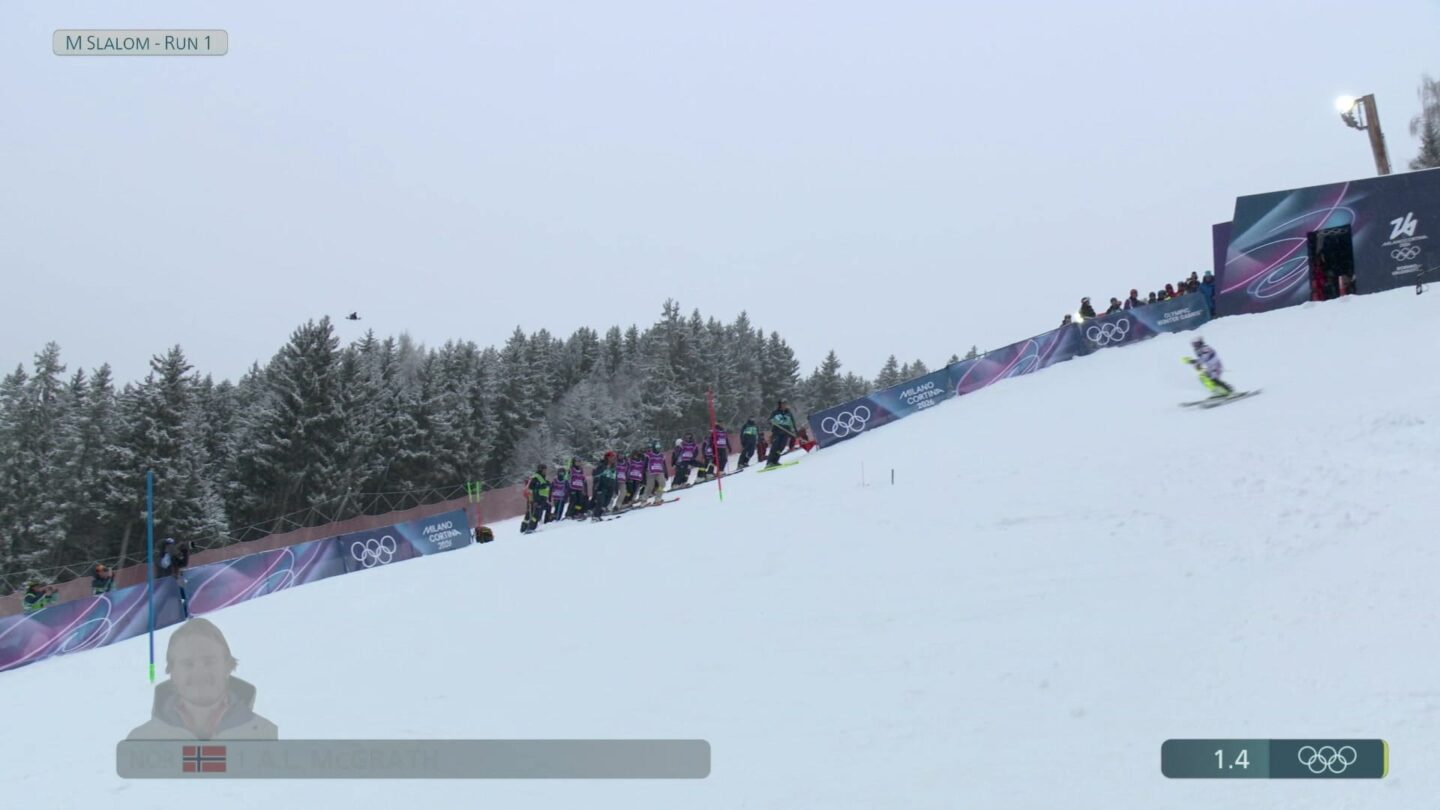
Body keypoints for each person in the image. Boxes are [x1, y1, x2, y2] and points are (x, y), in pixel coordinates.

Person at [126, 618, 278, 740]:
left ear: (228, 666)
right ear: (172, 673)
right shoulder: (140, 742)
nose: (199, 673)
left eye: (209, 661)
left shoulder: (264, 735)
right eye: (187, 664)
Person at [765, 400, 798, 468]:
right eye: (783, 404)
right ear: (780, 405)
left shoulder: (789, 413)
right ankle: (769, 462)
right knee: (775, 447)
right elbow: (769, 420)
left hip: (786, 432)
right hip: (777, 432)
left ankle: (775, 461)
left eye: (785, 404)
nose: (784, 405)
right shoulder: (775, 412)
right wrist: (770, 421)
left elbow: (793, 422)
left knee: (781, 447)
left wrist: (795, 431)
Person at [521, 463, 551, 534]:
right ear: (541, 470)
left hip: (541, 498)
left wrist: (546, 483)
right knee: (536, 514)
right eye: (544, 470)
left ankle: (525, 528)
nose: (545, 471)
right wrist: (543, 486)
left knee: (547, 507)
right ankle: (530, 528)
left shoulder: (541, 477)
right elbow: (533, 487)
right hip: (537, 498)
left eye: (546, 469)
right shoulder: (536, 477)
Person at [590, 453, 618, 520]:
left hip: (611, 487)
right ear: (607, 458)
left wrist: (616, 488)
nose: (613, 459)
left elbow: (615, 478)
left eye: (614, 457)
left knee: (606, 503)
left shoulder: (614, 467)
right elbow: (594, 474)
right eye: (611, 457)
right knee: (600, 501)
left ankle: (599, 515)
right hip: (602, 486)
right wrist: (604, 468)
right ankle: (595, 515)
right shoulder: (602, 465)